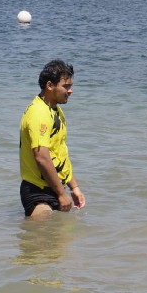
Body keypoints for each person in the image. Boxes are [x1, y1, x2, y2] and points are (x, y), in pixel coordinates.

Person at [19, 59, 86, 219]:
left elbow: (60, 152)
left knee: (59, 241)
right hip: (37, 192)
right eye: (66, 86)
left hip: (55, 189)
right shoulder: (39, 113)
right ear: (50, 86)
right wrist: (62, 194)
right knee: (40, 238)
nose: (70, 91)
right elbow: (42, 157)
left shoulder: (55, 110)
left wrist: (73, 187)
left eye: (70, 86)